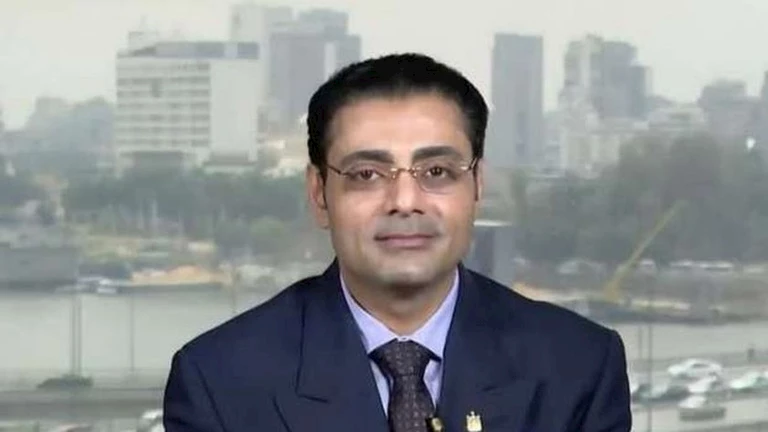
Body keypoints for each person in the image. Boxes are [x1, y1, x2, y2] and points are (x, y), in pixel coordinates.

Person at [163, 53, 631, 432]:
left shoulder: (579, 367)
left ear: (477, 187)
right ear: (319, 194)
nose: (405, 201)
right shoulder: (219, 382)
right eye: (367, 174)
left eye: (437, 172)